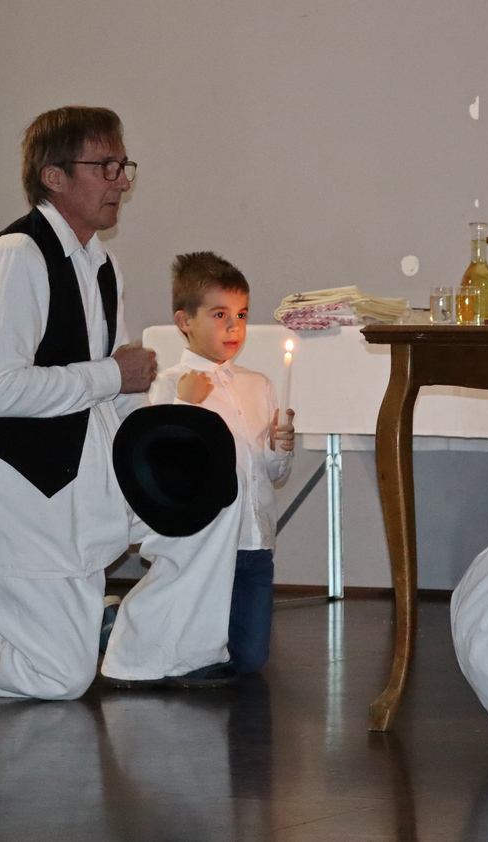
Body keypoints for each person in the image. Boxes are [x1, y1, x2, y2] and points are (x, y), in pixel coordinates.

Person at [0, 106, 240, 699]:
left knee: (210, 488)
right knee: (59, 677)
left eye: (123, 165)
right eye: (105, 166)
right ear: (54, 177)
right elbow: (1, 390)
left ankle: (153, 651)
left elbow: (114, 388)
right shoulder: (14, 258)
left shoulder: (102, 265)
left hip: (82, 473)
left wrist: (158, 438)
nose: (121, 180)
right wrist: (113, 373)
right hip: (21, 491)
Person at [151, 252, 295, 674]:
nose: (234, 327)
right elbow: (165, 467)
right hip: (203, 547)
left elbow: (272, 473)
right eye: (219, 315)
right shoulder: (167, 385)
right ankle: (124, 627)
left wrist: (279, 449)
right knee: (193, 655)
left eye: (241, 314)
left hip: (255, 545)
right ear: (184, 321)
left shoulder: (258, 385)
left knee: (249, 659)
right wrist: (185, 405)